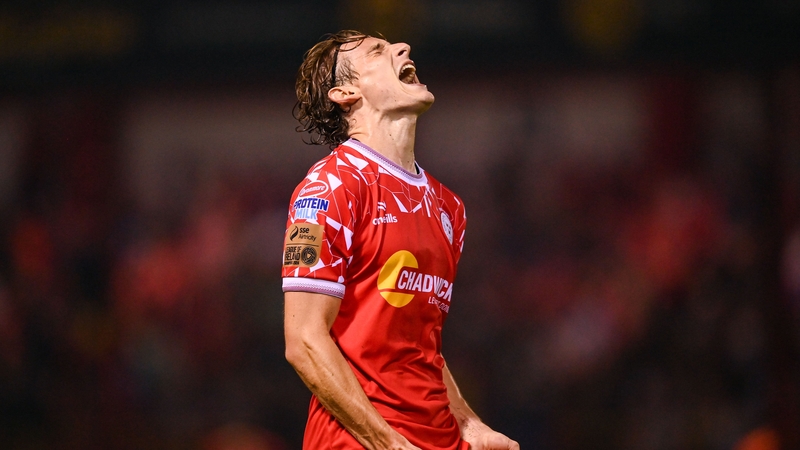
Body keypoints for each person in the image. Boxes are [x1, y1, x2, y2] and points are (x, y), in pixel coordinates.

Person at [282, 30, 519, 450]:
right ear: (345, 92)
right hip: (357, 441)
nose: (403, 48)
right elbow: (303, 341)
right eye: (377, 50)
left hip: (437, 440)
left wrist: (468, 423)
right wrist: (386, 442)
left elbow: (418, 346)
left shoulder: (449, 207)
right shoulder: (328, 188)